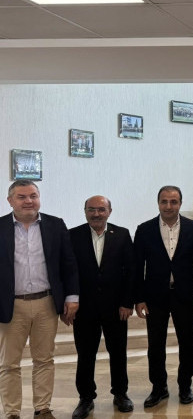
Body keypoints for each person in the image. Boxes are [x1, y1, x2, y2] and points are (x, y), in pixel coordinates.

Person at [0, 180, 79, 419]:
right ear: (10, 200)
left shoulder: (55, 225)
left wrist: (72, 296)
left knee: (44, 359)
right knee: (9, 363)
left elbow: (68, 264)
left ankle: (42, 408)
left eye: (33, 196)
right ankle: (12, 412)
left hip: (46, 303)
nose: (29, 201)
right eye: (22, 197)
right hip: (11, 305)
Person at [133, 186, 193, 408]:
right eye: (164, 201)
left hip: (185, 295)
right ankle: (159, 388)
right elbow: (137, 267)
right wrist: (139, 298)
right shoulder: (144, 230)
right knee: (155, 345)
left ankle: (185, 386)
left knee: (187, 343)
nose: (169, 206)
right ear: (158, 203)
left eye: (173, 202)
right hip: (155, 296)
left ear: (180, 203)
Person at [69, 196, 135, 418]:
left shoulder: (122, 234)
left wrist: (127, 302)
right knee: (85, 355)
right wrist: (69, 301)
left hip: (116, 308)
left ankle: (121, 394)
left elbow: (131, 271)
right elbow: (68, 271)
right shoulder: (72, 235)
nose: (96, 214)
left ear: (109, 211)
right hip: (84, 308)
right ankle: (86, 398)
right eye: (91, 210)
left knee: (118, 352)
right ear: (85, 211)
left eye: (101, 209)